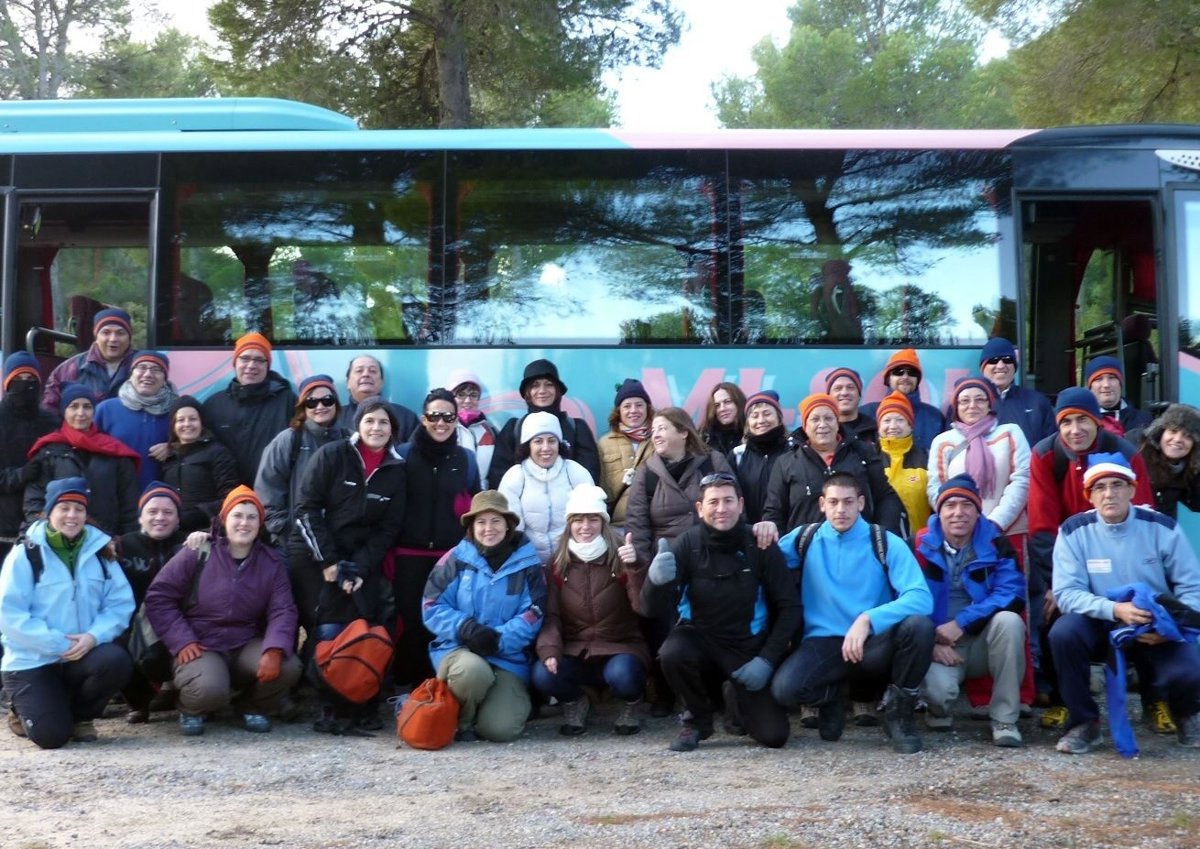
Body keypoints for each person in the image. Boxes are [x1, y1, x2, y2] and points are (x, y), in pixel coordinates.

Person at [771, 474, 935, 754]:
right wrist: (758, 530)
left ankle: (900, 715)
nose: (841, 510)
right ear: (822, 504)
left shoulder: (884, 541)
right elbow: (762, 561)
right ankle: (831, 697)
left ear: (860, 503)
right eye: (833, 502)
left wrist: (868, 619)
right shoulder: (804, 538)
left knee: (919, 627)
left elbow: (920, 597)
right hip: (823, 642)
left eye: (848, 502)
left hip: (873, 643)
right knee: (784, 691)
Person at [1050, 453, 1200, 754]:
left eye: (1117, 485)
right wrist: (1115, 609)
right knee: (1063, 634)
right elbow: (1066, 593)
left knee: (1189, 658)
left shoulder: (1162, 527)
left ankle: (1188, 715)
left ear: (1132, 489)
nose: (1109, 494)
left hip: (1153, 623)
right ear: (1089, 495)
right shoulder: (1073, 531)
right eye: (1100, 487)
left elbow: (1192, 587)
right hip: (1100, 620)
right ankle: (1084, 723)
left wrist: (1169, 627)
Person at [641, 471, 800, 752]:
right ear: (700, 509)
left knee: (774, 736)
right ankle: (697, 720)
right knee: (672, 652)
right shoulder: (686, 544)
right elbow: (650, 609)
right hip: (699, 639)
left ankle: (733, 698)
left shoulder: (760, 545)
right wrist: (654, 583)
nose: (721, 509)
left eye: (728, 501)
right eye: (713, 502)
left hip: (746, 647)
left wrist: (766, 659)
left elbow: (790, 607)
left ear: (741, 504)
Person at [1027, 387, 1155, 730]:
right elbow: (1042, 527)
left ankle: (1156, 700)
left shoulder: (1125, 453)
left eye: (1082, 419)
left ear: (1097, 421)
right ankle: (1064, 700)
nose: (1075, 429)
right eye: (1066, 422)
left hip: (1123, 558)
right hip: (1068, 559)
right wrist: (1057, 584)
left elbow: (1144, 520)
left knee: (1147, 614)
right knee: (1051, 616)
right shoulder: (1045, 455)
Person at [144, 486, 301, 736]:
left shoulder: (271, 563)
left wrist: (275, 647)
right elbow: (159, 597)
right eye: (237, 515)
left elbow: (283, 610)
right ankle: (190, 708)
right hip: (200, 642)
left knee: (288, 666)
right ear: (225, 519)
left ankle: (251, 707)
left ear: (260, 524)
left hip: (244, 642)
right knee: (209, 690)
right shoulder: (198, 552)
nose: (244, 523)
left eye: (252, 517)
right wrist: (181, 640)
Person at [1, 477, 134, 748]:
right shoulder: (26, 553)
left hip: (82, 654)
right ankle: (21, 709)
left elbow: (120, 604)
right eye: (64, 508)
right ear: (49, 512)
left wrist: (94, 637)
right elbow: (9, 613)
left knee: (115, 661)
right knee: (52, 738)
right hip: (32, 660)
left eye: (79, 508)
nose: (72, 515)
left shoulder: (100, 551)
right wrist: (58, 644)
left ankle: (81, 717)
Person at [291, 395, 407, 707]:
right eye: (370, 420)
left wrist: (360, 568)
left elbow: (388, 528)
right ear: (358, 425)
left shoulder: (397, 469)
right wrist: (329, 562)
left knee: (360, 626)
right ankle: (322, 699)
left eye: (383, 422)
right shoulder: (332, 455)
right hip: (316, 554)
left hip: (360, 560)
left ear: (392, 429)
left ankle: (353, 697)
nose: (376, 427)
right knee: (326, 625)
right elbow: (305, 509)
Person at [624, 406, 732, 717]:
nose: (655, 434)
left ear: (683, 432)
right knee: (664, 628)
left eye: (662, 428)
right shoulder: (646, 473)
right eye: (653, 430)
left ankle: (711, 691)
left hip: (710, 558)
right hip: (666, 561)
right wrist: (648, 573)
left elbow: (730, 508)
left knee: (710, 626)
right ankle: (666, 693)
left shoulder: (713, 461)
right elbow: (637, 526)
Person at [422, 490, 547, 743]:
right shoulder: (454, 559)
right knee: (472, 672)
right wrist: (466, 628)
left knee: (500, 730)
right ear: (472, 526)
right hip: (458, 649)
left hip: (507, 658)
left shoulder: (529, 563)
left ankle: (491, 710)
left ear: (508, 524)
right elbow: (431, 606)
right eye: (481, 522)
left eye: (496, 521)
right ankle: (462, 722)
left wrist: (498, 639)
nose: (488, 528)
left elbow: (534, 613)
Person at [916, 475, 1027, 747]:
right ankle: (937, 710)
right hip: (937, 642)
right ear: (938, 511)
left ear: (978, 511)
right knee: (938, 693)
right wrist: (930, 641)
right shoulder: (918, 544)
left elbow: (1012, 594)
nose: (958, 512)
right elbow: (905, 597)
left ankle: (1004, 719)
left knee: (1010, 622)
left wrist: (962, 623)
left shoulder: (996, 543)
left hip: (982, 641)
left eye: (967, 505)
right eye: (950, 505)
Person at [533, 484, 648, 736]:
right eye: (578, 519)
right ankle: (576, 701)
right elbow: (551, 615)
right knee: (543, 674)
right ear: (569, 524)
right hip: (576, 650)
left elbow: (643, 607)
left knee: (624, 675)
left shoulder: (621, 555)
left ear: (603, 522)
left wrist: (635, 568)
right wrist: (550, 650)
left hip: (620, 647)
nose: (585, 526)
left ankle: (631, 703)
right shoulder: (558, 563)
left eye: (593, 519)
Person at [393, 388, 481, 689]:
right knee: (411, 623)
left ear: (456, 420)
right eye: (434, 416)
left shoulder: (466, 459)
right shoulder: (403, 455)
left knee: (444, 624)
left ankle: (442, 689)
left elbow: (476, 508)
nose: (441, 423)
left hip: (449, 558)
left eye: (448, 417)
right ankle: (407, 689)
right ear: (423, 419)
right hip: (408, 555)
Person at [759, 393, 903, 539]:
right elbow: (774, 512)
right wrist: (784, 547)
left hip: (860, 545)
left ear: (837, 423)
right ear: (805, 426)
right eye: (815, 419)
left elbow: (886, 497)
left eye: (828, 418)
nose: (822, 425)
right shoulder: (786, 462)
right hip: (805, 548)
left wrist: (883, 537)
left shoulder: (862, 452)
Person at [25, 383, 140, 536]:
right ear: (64, 411)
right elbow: (34, 499)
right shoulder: (49, 451)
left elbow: (129, 504)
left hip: (105, 538)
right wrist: (45, 533)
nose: (81, 413)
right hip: (59, 538)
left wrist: (125, 540)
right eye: (74, 406)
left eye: (87, 407)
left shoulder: (114, 451)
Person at [115, 482, 186, 723]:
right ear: (140, 517)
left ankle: (183, 694)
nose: (160, 518)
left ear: (178, 519)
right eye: (152, 511)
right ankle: (138, 703)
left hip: (177, 619)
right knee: (119, 641)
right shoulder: (121, 546)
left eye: (168, 512)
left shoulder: (188, 544)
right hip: (133, 620)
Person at [926, 376, 1031, 540]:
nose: (972, 406)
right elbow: (935, 488)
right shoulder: (943, 441)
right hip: (959, 535)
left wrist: (994, 524)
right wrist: (960, 524)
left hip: (1008, 532)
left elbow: (1022, 480)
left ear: (989, 404)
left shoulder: (1010, 433)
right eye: (964, 401)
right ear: (956, 406)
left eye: (980, 399)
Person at [255, 374, 349, 550]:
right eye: (311, 402)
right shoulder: (288, 440)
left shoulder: (350, 440)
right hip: (297, 544)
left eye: (327, 400)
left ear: (336, 404)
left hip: (342, 544)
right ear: (302, 407)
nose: (320, 407)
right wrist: (287, 532)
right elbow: (267, 492)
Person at [497, 411, 594, 564]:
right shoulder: (515, 476)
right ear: (528, 445)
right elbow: (512, 530)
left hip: (572, 561)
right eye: (538, 441)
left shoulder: (575, 472)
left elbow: (591, 519)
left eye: (552, 441)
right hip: (529, 563)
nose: (546, 447)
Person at [202, 332, 298, 484]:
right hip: (227, 493)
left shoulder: (288, 401)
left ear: (267, 366)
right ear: (235, 363)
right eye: (245, 358)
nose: (251, 365)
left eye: (259, 360)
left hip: (274, 492)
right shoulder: (213, 405)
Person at [489, 358, 600, 487]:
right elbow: (499, 477)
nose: (542, 391)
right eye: (535, 385)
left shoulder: (577, 428)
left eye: (549, 384)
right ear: (527, 393)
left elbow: (589, 476)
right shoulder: (513, 429)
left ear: (558, 390)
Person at [0, 353, 57, 563]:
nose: (25, 385)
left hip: (43, 522)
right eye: (18, 378)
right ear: (7, 382)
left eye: (31, 379)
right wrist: (20, 475)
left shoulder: (51, 421)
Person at [94, 350, 179, 489]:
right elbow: (88, 445)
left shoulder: (176, 410)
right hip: (116, 493)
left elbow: (197, 448)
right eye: (142, 367)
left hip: (162, 496)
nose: (148, 374)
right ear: (131, 374)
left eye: (156, 370)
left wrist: (173, 448)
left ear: (165, 379)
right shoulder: (105, 410)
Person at [160, 396, 239, 534]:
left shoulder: (217, 452)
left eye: (193, 419)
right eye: (180, 420)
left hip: (206, 531)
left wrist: (198, 514)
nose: (187, 424)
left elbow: (230, 497)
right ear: (173, 426)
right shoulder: (168, 457)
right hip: (172, 533)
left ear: (202, 423)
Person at [42, 307, 136, 412]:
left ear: (129, 337)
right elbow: (50, 409)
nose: (113, 339)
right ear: (96, 336)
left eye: (120, 333)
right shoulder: (69, 369)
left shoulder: (143, 367)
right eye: (106, 332)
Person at [860, 349, 947, 451]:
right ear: (888, 379)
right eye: (898, 372)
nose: (905, 377)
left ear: (918, 380)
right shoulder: (867, 414)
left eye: (912, 372)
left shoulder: (934, 417)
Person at [597, 378, 655, 529]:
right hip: (617, 525)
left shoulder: (659, 439)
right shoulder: (604, 443)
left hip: (654, 523)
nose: (633, 410)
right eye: (627, 406)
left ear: (647, 409)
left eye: (639, 405)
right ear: (619, 411)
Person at [729, 390, 794, 524]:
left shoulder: (795, 450)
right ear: (748, 422)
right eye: (754, 416)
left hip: (788, 531)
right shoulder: (737, 455)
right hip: (749, 532)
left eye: (767, 414)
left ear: (779, 417)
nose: (761, 420)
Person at [978, 338, 1055, 447]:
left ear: (1014, 367)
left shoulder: (1038, 402)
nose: (1000, 366)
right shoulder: (969, 405)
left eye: (1007, 360)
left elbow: (1052, 446)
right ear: (982, 367)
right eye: (993, 360)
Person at [875, 391, 930, 540]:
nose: (893, 426)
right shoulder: (870, 458)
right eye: (887, 420)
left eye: (900, 420)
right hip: (881, 543)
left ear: (910, 426)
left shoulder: (926, 459)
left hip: (920, 543)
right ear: (879, 426)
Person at [337, 354, 419, 443]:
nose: (366, 374)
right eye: (359, 370)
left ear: (381, 382)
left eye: (372, 371)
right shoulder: (335, 417)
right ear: (348, 383)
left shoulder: (406, 418)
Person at [1139, 403, 1200, 519]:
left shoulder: (1188, 469)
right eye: (1173, 431)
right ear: (1160, 433)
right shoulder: (1136, 452)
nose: (1178, 439)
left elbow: (1197, 503)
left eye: (1187, 436)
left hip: (1161, 528)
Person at [447, 369, 498, 488]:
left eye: (473, 395)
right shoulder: (442, 428)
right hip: (450, 495)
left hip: (482, 496)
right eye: (461, 395)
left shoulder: (490, 430)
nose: (468, 401)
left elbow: (496, 471)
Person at [1084, 355, 1153, 441]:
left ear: (1120, 383)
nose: (1106, 385)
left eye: (1112, 378)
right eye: (1098, 379)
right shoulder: (1083, 424)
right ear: (1090, 387)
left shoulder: (1144, 420)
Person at [825, 367, 876, 444]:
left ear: (859, 395)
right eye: (838, 388)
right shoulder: (822, 432)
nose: (844, 393)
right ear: (829, 396)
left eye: (850, 387)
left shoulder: (876, 431)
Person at [698, 381, 747, 456]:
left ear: (739, 402)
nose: (722, 409)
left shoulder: (753, 434)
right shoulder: (704, 438)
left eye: (727, 402)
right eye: (717, 405)